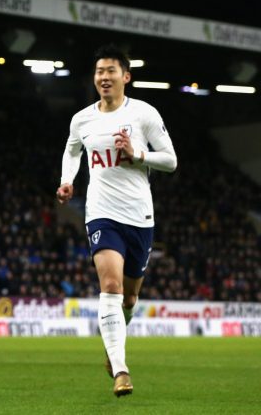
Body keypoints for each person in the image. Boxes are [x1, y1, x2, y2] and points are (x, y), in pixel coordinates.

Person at [56, 45, 177, 398]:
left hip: (139, 214)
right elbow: (72, 148)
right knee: (110, 286)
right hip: (101, 211)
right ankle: (121, 369)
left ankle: (114, 342)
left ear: (126, 76)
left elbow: (170, 160)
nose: (104, 77)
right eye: (99, 72)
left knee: (129, 298)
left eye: (111, 71)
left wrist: (137, 154)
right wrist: (67, 180)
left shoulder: (144, 114)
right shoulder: (82, 119)